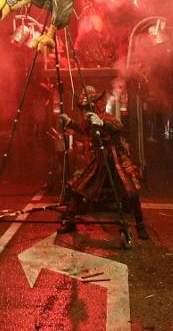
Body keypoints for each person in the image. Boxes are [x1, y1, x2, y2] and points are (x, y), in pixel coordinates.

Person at [58, 84, 148, 241]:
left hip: (117, 158)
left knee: (131, 190)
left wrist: (102, 123)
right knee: (80, 187)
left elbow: (119, 126)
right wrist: (69, 122)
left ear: (94, 105)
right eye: (83, 107)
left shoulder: (105, 117)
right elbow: (82, 128)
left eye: (86, 107)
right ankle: (71, 221)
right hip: (100, 158)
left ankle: (140, 225)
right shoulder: (88, 119)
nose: (84, 110)